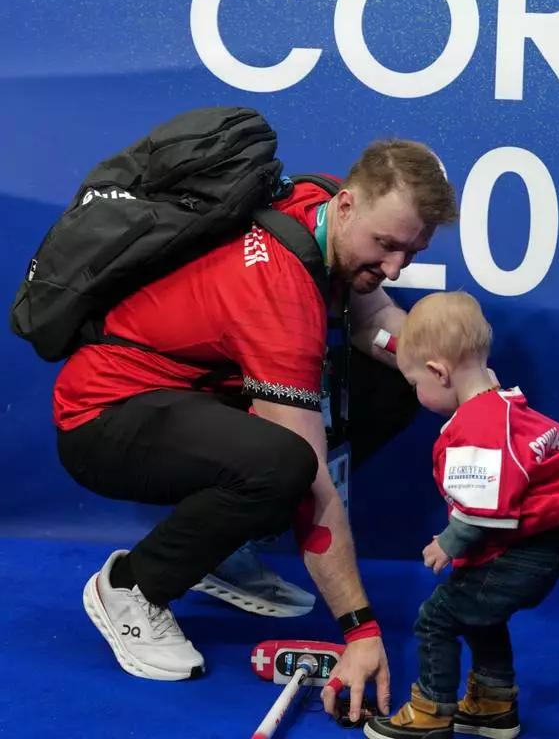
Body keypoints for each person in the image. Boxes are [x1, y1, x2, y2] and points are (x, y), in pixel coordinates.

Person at [53, 138, 457, 722]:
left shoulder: (314, 204)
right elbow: (313, 482)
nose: (393, 268)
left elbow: (373, 321)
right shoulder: (279, 296)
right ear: (347, 207)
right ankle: (132, 586)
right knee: (285, 465)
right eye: (386, 246)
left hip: (187, 398)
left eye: (410, 254)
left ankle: (221, 546)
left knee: (398, 384)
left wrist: (458, 378)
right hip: (103, 415)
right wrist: (360, 630)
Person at [363, 291, 559, 739]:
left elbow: (481, 511)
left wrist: (446, 543)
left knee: (436, 618)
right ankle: (493, 704)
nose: (417, 393)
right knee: (478, 614)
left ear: (439, 372)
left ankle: (431, 711)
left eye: (416, 383)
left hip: (518, 553)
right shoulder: (505, 406)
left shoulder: (478, 427)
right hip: (539, 546)